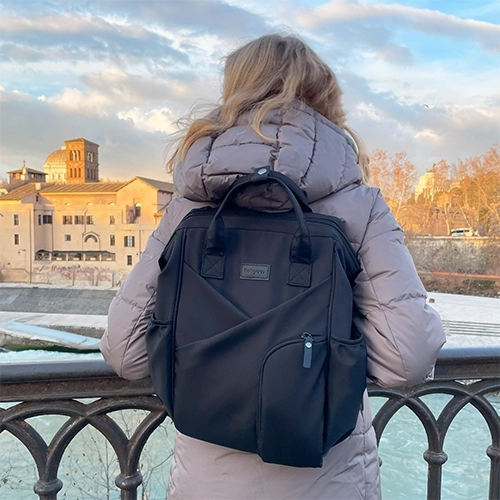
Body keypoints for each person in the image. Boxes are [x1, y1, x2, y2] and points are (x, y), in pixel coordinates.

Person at [100, 33, 446, 500]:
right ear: (325, 95)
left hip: (206, 482)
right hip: (327, 481)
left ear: (234, 91)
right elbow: (407, 359)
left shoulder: (188, 208)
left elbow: (125, 352)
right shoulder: (359, 206)